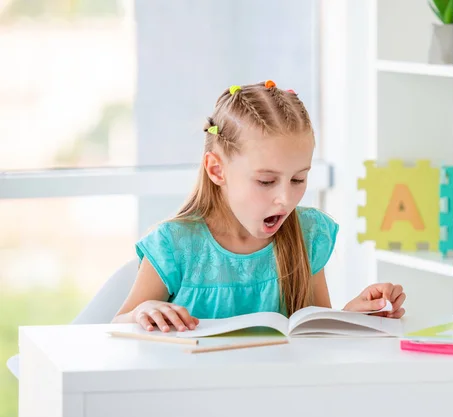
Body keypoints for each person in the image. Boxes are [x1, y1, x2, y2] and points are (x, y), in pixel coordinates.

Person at [112, 80, 406, 332]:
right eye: (266, 181)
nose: (286, 198)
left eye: (298, 179)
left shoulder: (308, 234)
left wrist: (353, 317)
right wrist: (141, 314)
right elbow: (115, 327)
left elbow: (315, 332)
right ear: (217, 170)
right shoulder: (174, 245)